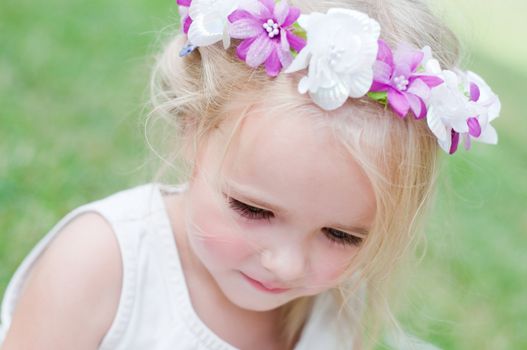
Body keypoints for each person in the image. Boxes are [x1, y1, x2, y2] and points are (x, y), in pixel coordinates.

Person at [0, 0, 501, 349]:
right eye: (254, 210)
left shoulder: (337, 307)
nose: (285, 265)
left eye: (342, 235)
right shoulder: (103, 264)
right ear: (194, 127)